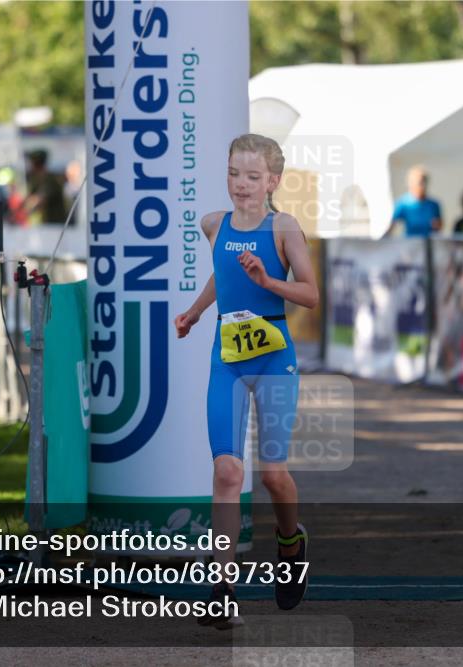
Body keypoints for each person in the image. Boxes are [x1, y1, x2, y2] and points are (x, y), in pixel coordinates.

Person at [174, 133, 318, 628]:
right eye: (234, 173)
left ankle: (290, 543)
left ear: (272, 181)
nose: (241, 184)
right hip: (228, 358)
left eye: (253, 177)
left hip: (275, 359)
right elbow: (222, 274)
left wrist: (267, 282)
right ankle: (222, 590)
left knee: (273, 476)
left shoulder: (285, 228)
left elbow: (310, 294)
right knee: (228, 473)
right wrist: (194, 312)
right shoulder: (214, 224)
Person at [386, 166, 442, 237]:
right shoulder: (403, 203)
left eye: (424, 182)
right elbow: (392, 225)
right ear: (411, 184)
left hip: (427, 243)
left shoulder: (433, 204)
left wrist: (436, 225)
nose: (423, 186)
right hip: (410, 243)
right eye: (420, 183)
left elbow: (438, 227)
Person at [24, 149, 66, 224]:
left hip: (56, 225)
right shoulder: (36, 181)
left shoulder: (51, 180)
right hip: (46, 224)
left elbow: (38, 200)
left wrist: (21, 210)